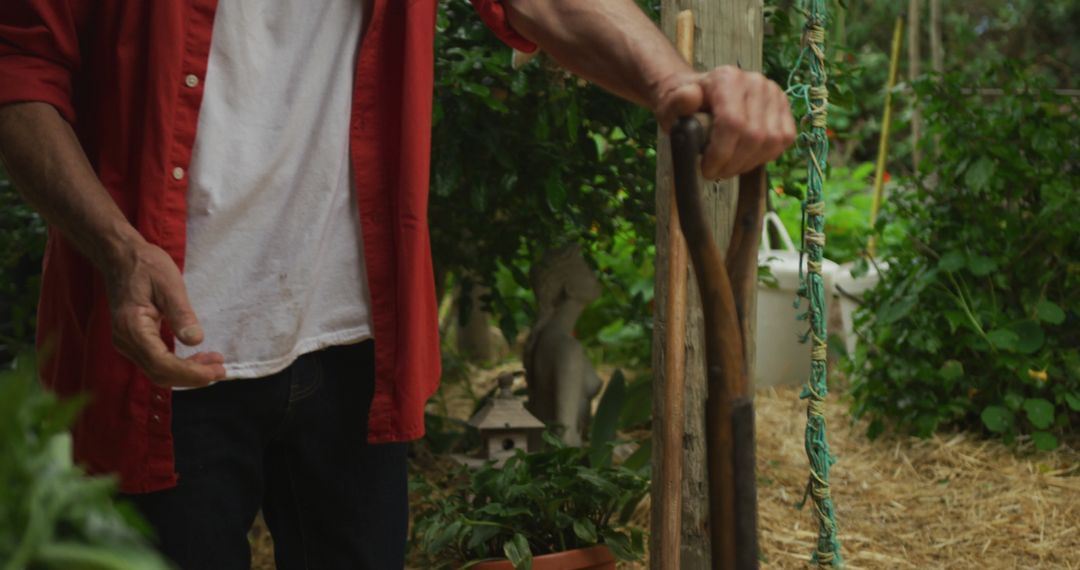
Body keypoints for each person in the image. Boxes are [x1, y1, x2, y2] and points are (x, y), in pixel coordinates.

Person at [0, 0, 795, 568]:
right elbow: (19, 71)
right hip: (158, 360)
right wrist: (116, 248)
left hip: (352, 348)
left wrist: (671, 82)